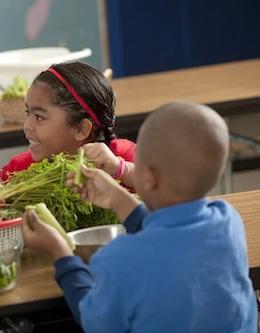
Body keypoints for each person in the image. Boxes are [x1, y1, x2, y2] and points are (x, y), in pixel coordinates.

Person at [22, 101, 257, 332]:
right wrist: (118, 198)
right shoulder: (228, 221)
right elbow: (172, 238)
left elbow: (95, 323)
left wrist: (61, 253)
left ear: (148, 177)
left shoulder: (120, 258)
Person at [0, 61, 136, 189]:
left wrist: (121, 170)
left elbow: (157, 187)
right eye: (28, 113)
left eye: (39, 117)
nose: (27, 125)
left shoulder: (123, 156)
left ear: (81, 129)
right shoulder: (17, 171)